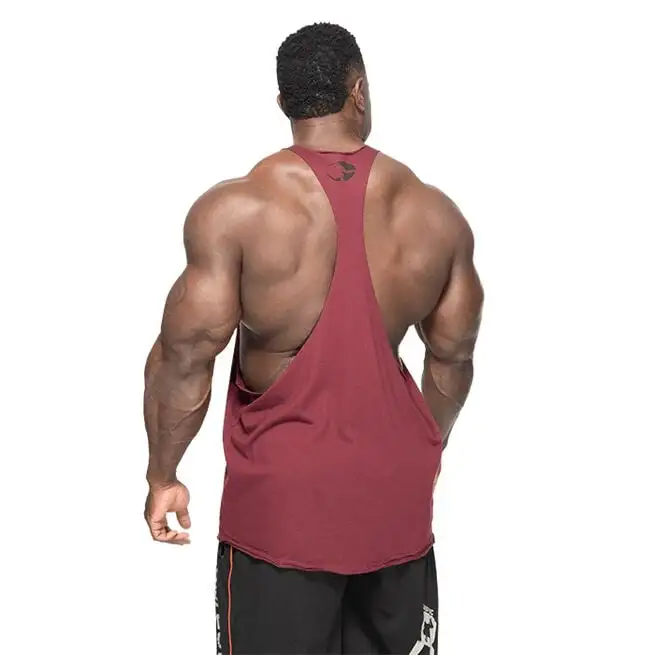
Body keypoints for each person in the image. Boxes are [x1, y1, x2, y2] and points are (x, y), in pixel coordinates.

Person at [143, 22, 483, 655]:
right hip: (395, 508)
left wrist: (163, 474)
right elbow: (453, 357)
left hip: (281, 519)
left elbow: (183, 358)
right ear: (360, 92)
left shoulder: (235, 212)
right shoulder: (437, 216)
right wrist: (425, 455)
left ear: (284, 103)